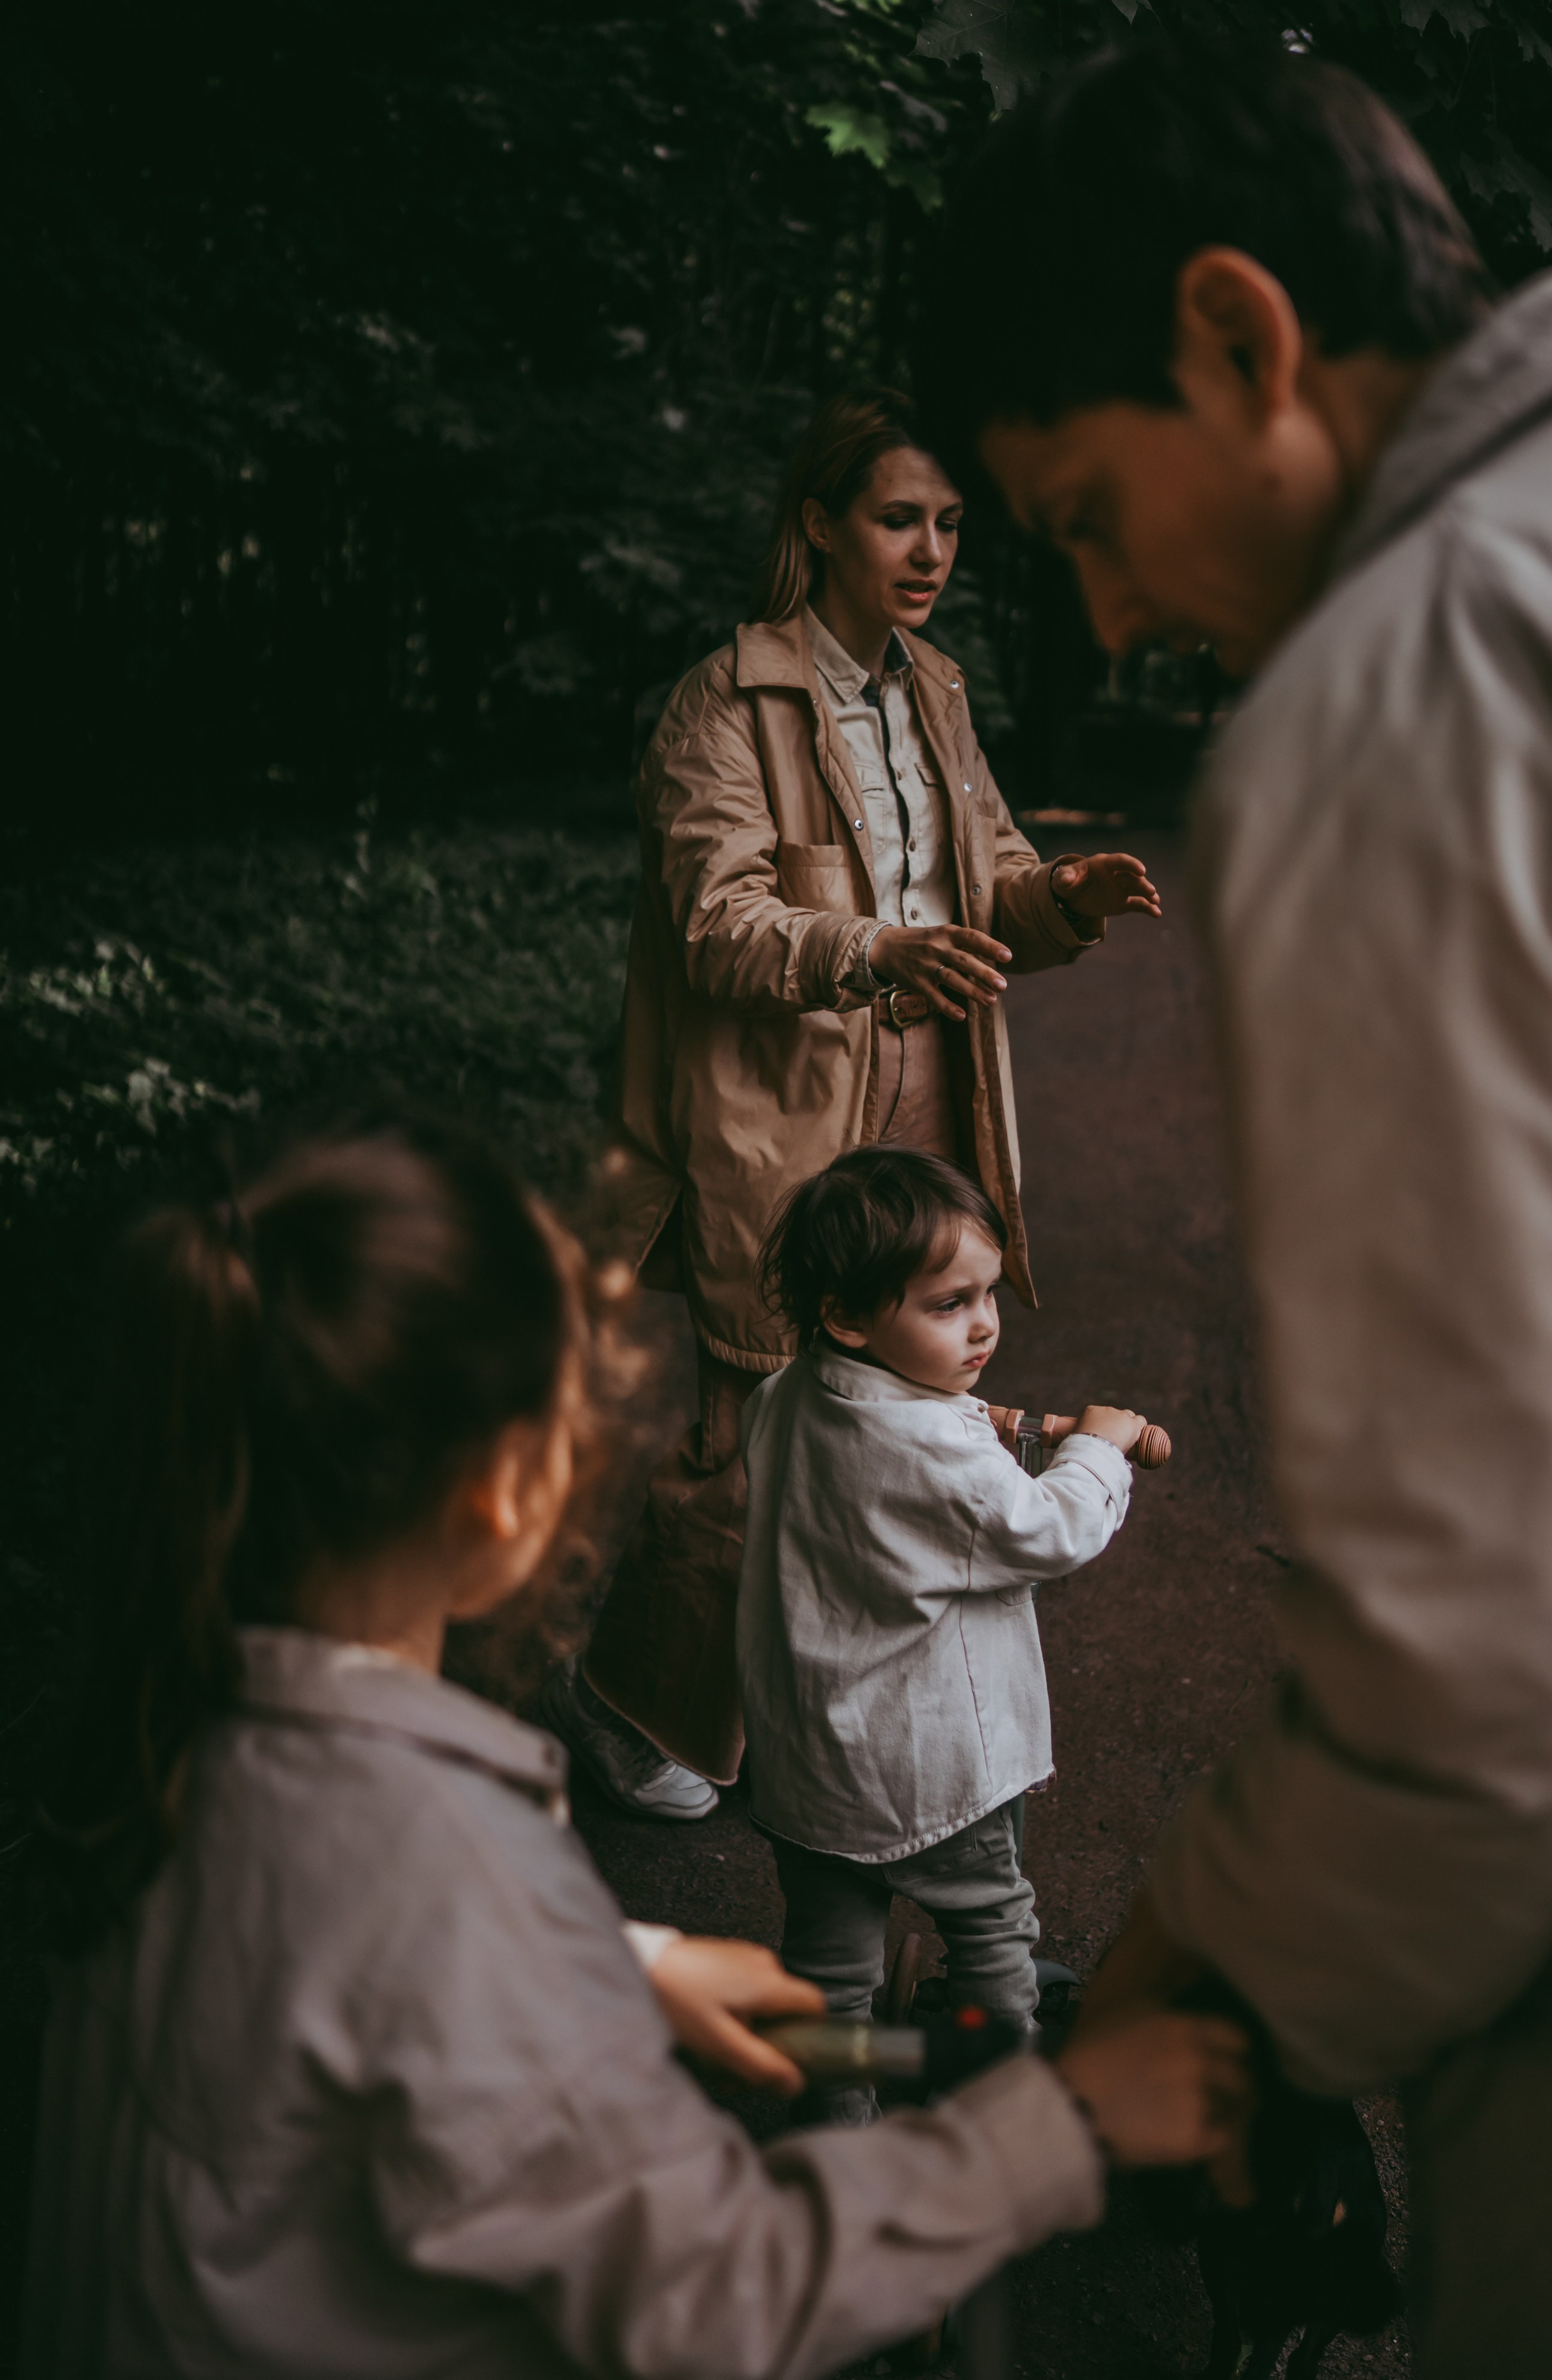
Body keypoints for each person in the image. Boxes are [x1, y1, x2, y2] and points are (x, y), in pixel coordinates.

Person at [918, 30, 1552, 2378]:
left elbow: (1502, 1681)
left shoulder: (1421, 681)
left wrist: (1192, 1987)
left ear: (1239, 338)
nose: (1107, 617)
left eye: (1085, 513)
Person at [22, 1115, 1250, 2377]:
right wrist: (1063, 2124)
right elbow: (712, 2296)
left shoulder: (167, 1741)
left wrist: (617, 1964)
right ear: (503, 1496)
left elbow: (314, 1967)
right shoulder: (461, 1869)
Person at [546, 385, 1163, 1820]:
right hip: (775, 1118)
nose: (930, 548)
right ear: (817, 524)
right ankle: (642, 1703)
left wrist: (1055, 899)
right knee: (750, 1425)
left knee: (900, 1405)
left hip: (931, 1100)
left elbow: (991, 863)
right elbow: (717, 919)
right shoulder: (725, 694)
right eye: (899, 517)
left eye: (948, 523)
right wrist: (871, 948)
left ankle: (833, 1696)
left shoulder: (934, 686)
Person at [739, 1145, 1149, 2125]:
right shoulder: (939, 1455)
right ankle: (1000, 2097)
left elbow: (904, 1448)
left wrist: (982, 1416)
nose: (984, 1326)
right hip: (932, 1771)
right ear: (848, 1316)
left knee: (829, 1970)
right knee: (992, 1928)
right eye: (948, 1305)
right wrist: (1100, 1446)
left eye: (989, 1295)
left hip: (810, 1766)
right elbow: (1049, 1530)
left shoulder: (782, 1401)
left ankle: (831, 2128)